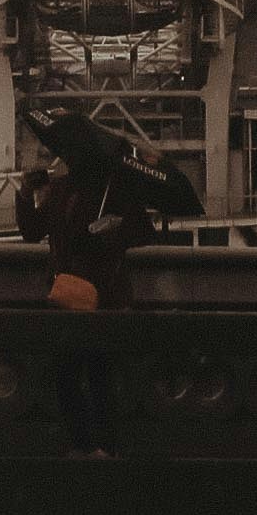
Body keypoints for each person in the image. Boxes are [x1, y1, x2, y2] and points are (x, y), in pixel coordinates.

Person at [14, 110, 163, 457]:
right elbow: (31, 231)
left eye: (71, 153)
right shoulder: (61, 189)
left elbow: (142, 233)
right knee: (69, 376)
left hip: (101, 297)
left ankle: (100, 446)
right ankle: (86, 444)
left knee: (98, 377)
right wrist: (25, 193)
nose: (66, 159)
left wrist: (114, 228)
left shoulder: (114, 191)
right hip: (67, 295)